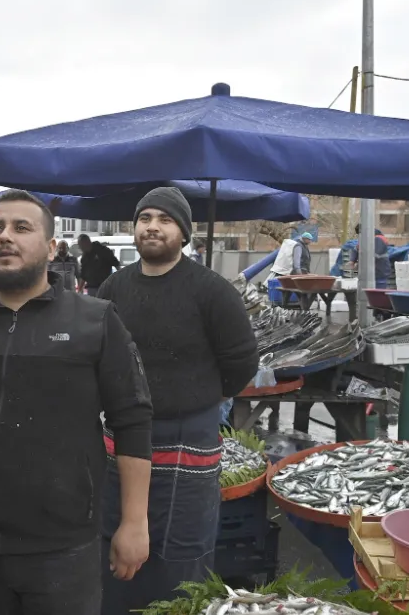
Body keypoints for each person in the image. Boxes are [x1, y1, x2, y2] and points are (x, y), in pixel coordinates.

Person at [0, 190, 154, 615]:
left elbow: (133, 420)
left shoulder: (95, 320)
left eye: (21, 228)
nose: (6, 237)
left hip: (64, 552)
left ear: (50, 248)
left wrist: (134, 522)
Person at [96, 187, 260, 614]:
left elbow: (242, 362)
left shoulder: (212, 291)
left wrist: (202, 395)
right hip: (121, 444)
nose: (152, 226)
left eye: (165, 219)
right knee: (114, 551)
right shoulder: (114, 287)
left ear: (183, 233)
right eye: (145, 218)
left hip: (188, 445)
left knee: (180, 562)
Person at [352, 223, 392, 289]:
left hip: (380, 273)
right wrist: (352, 260)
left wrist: (359, 264)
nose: (360, 237)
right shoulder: (366, 239)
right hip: (371, 274)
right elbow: (356, 248)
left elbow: (373, 256)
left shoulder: (378, 239)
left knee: (378, 295)